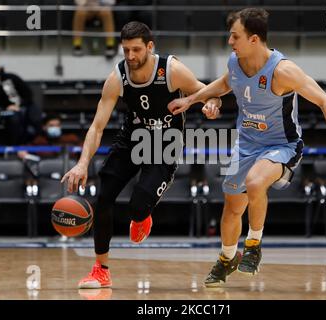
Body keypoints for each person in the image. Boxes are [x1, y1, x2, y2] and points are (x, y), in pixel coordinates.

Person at [168, 8, 326, 287]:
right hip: (246, 144)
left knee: (255, 183)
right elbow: (224, 84)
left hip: (282, 145)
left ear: (254, 39)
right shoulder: (236, 61)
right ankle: (227, 258)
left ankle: (254, 245)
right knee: (232, 207)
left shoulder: (283, 70)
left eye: (235, 36)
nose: (230, 41)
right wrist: (192, 99)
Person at [61, 21, 220, 289]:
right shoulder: (117, 77)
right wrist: (82, 163)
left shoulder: (171, 70)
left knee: (136, 206)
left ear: (149, 46)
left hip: (164, 144)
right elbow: (97, 126)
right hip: (132, 140)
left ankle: (142, 214)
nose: (131, 56)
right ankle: (101, 270)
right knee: (103, 198)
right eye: (126, 50)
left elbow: (208, 92)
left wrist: (213, 104)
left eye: (136, 50)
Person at [0, 58, 42, 145]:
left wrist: (19, 105)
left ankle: (36, 144)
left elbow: (28, 94)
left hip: (23, 106)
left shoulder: (11, 78)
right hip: (5, 112)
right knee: (14, 118)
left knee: (34, 115)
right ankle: (15, 147)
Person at [17, 113, 82, 161]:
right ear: (44, 127)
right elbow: (25, 149)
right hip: (47, 171)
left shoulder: (71, 139)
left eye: (57, 125)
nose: (55, 128)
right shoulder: (39, 141)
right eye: (51, 125)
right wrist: (22, 151)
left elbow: (84, 147)